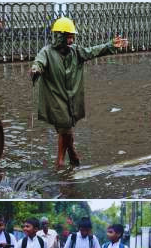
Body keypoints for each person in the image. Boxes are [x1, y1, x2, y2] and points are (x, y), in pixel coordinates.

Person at [30, 17, 128, 168]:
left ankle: (67, 157)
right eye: (68, 37)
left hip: (71, 97)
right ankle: (65, 159)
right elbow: (39, 62)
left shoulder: (75, 51)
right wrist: (36, 70)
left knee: (66, 128)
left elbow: (92, 51)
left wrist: (110, 45)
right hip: (56, 98)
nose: (71, 41)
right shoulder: (47, 52)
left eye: (72, 37)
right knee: (65, 127)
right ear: (59, 36)